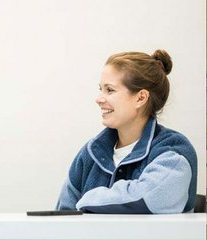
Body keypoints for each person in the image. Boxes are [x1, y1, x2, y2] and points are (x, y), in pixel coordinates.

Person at [56, 50, 197, 214]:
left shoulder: (174, 150)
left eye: (110, 90)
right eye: (100, 89)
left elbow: (150, 195)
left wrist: (87, 200)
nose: (99, 99)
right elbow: (63, 217)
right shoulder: (90, 153)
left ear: (141, 98)